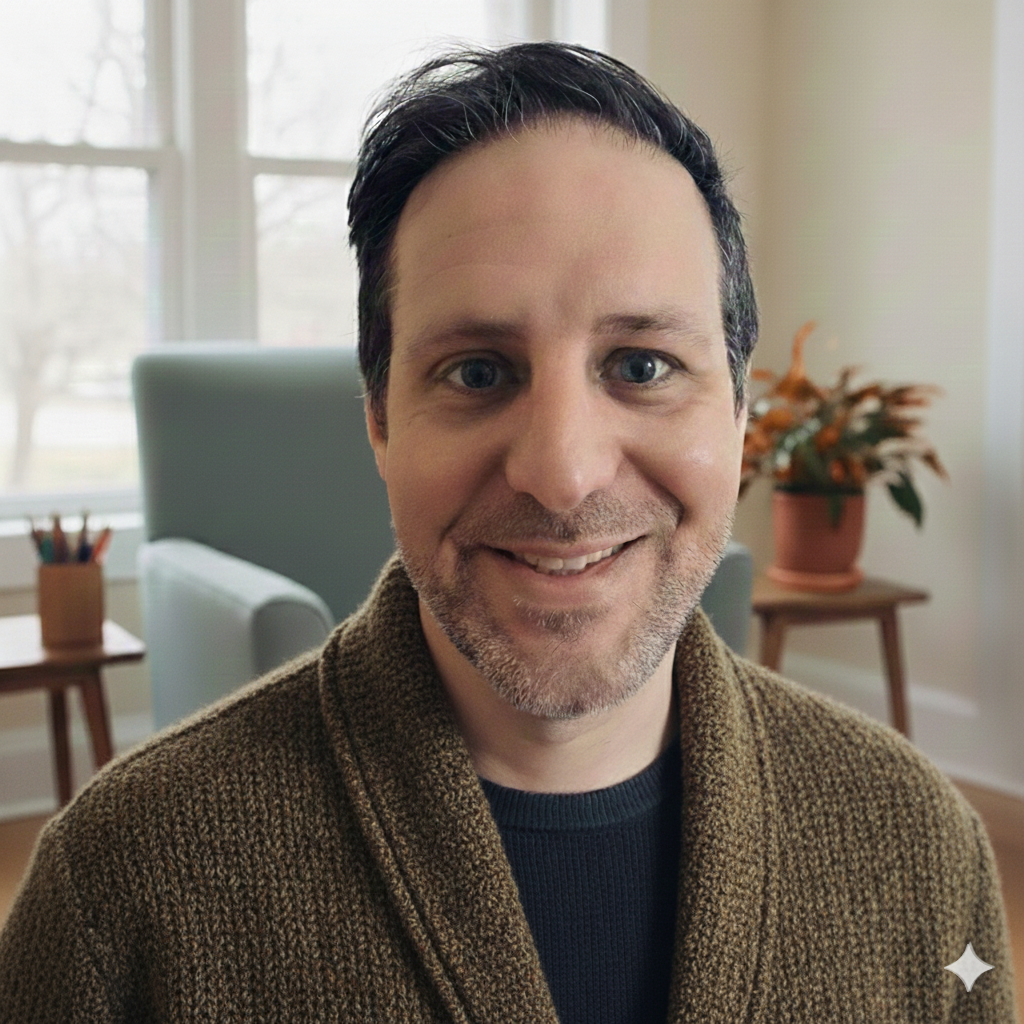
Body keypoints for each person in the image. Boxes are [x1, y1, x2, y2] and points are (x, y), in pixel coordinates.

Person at [0, 42, 1016, 1024]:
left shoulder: (921, 850)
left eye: (643, 366)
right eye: (478, 371)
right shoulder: (122, 888)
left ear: (741, 414)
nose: (564, 472)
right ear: (378, 421)